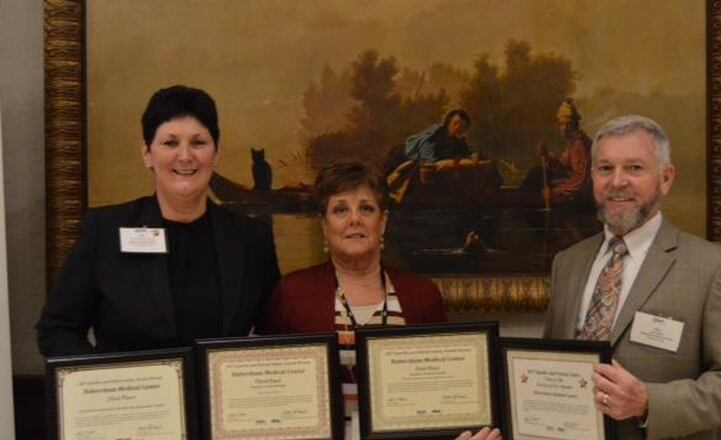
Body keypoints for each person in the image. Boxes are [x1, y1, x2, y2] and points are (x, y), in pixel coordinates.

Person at [543, 115, 721, 439]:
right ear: (592, 176)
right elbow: (548, 366)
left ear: (665, 178)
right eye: (605, 168)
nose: (617, 181)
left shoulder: (716, 269)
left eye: (634, 168)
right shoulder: (567, 263)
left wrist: (648, 402)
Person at [261, 160, 500, 440]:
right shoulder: (292, 293)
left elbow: (444, 390)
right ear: (324, 224)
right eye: (340, 210)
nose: (355, 220)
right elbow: (270, 389)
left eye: (366, 208)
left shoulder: (422, 294)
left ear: (383, 221)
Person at [37, 85, 281, 356]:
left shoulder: (252, 238)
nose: (185, 156)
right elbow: (57, 330)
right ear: (147, 153)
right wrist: (106, 377)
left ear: (216, 154)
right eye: (170, 143)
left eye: (198, 143)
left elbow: (276, 336)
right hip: (129, 384)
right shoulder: (105, 231)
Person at [403, 109, 473, 163]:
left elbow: (465, 154)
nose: (458, 127)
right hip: (405, 154)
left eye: (462, 125)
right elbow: (426, 152)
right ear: (448, 123)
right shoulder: (437, 133)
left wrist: (472, 155)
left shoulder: (460, 140)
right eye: (456, 123)